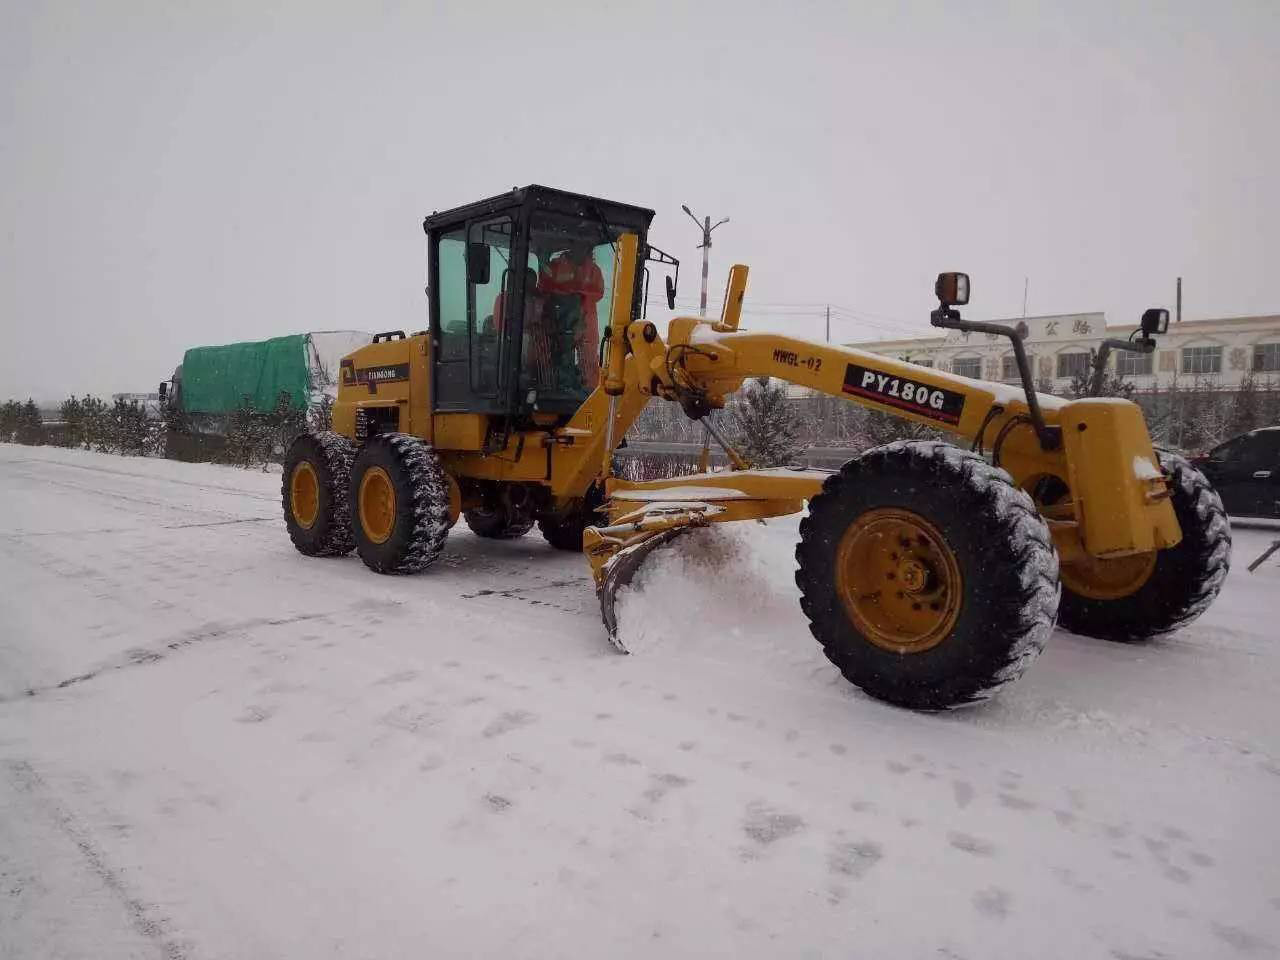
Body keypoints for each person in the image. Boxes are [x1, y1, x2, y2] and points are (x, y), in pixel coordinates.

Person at [537, 240, 604, 391]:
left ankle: (588, 393)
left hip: (586, 325)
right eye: (578, 243)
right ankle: (556, 388)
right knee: (556, 357)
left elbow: (599, 293)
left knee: (588, 363)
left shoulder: (594, 270)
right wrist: (568, 296)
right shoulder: (555, 266)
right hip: (558, 321)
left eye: (585, 245)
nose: (582, 249)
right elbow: (543, 287)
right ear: (570, 245)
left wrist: (576, 294)